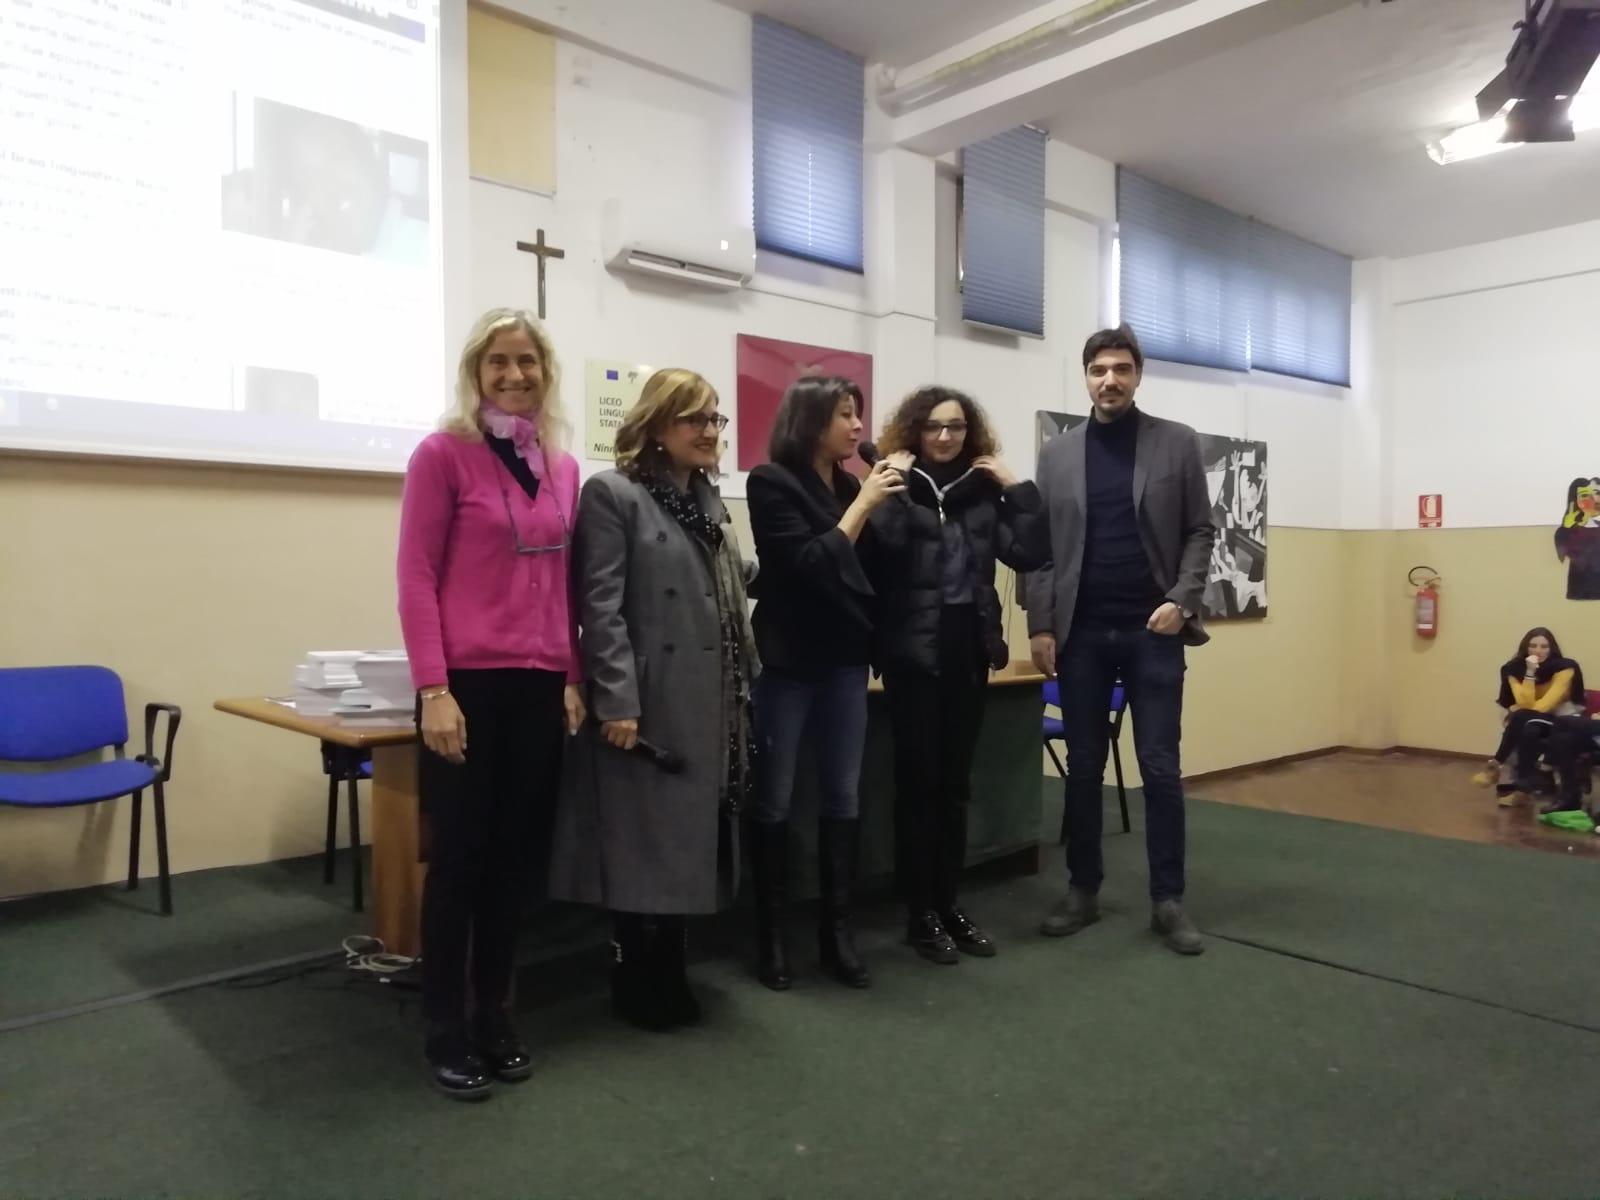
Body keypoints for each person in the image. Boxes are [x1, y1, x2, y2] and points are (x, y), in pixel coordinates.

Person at [397, 307, 585, 1100]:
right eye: (498, 362)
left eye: (527, 361)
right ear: (475, 373)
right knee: (461, 862)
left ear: (546, 372)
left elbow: (567, 581)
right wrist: (433, 689)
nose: (514, 375)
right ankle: (445, 1024)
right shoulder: (443, 455)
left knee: (515, 861)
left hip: (540, 684)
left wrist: (573, 676)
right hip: (466, 688)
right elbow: (416, 576)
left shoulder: (562, 467)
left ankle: (495, 1013)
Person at [549, 369, 759, 1032]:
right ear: (657, 426)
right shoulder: (613, 494)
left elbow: (729, 577)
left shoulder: (707, 498)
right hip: (646, 701)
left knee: (685, 844)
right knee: (641, 844)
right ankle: (633, 975)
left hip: (709, 696)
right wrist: (617, 700)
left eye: (715, 418)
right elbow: (599, 605)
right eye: (694, 418)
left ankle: (670, 968)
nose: (710, 431)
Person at [1026, 325, 1215, 956]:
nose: (1110, 380)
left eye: (1122, 369)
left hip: (1152, 632)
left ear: (1137, 375)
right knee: (1084, 768)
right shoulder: (1058, 454)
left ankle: (1168, 900)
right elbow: (1041, 549)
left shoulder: (1176, 442)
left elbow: (1200, 531)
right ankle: (1082, 889)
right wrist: (1041, 625)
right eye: (1099, 369)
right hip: (1080, 634)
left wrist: (1180, 600)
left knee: (1159, 768)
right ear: (1085, 377)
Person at [868, 386, 1049, 963]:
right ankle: (919, 912)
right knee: (918, 787)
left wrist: (1016, 487)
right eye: (933, 427)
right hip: (912, 656)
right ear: (915, 431)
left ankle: (948, 903)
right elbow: (883, 550)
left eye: (956, 427)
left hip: (966, 651)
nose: (945, 437)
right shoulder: (894, 483)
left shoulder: (982, 492)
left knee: (954, 787)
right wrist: (891, 486)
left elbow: (1030, 553)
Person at [745, 375, 905, 991]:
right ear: (811, 419)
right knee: (775, 800)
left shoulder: (850, 484)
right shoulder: (771, 482)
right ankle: (771, 939)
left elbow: (874, 572)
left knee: (843, 797)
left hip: (844, 663)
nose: (858, 426)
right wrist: (863, 507)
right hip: (787, 664)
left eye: (857, 414)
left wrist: (888, 502)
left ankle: (837, 935)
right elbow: (808, 565)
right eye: (845, 414)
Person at [1473, 628, 1586, 805]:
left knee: (1522, 717)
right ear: (1525, 648)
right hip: (1535, 721)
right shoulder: (1513, 669)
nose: (1538, 651)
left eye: (1544, 646)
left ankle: (1495, 765)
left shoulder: (1565, 667)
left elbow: (1544, 706)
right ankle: (1523, 790)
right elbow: (1524, 702)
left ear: (1552, 648)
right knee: (1529, 731)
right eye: (1533, 646)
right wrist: (1530, 672)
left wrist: (1523, 710)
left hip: (1563, 721)